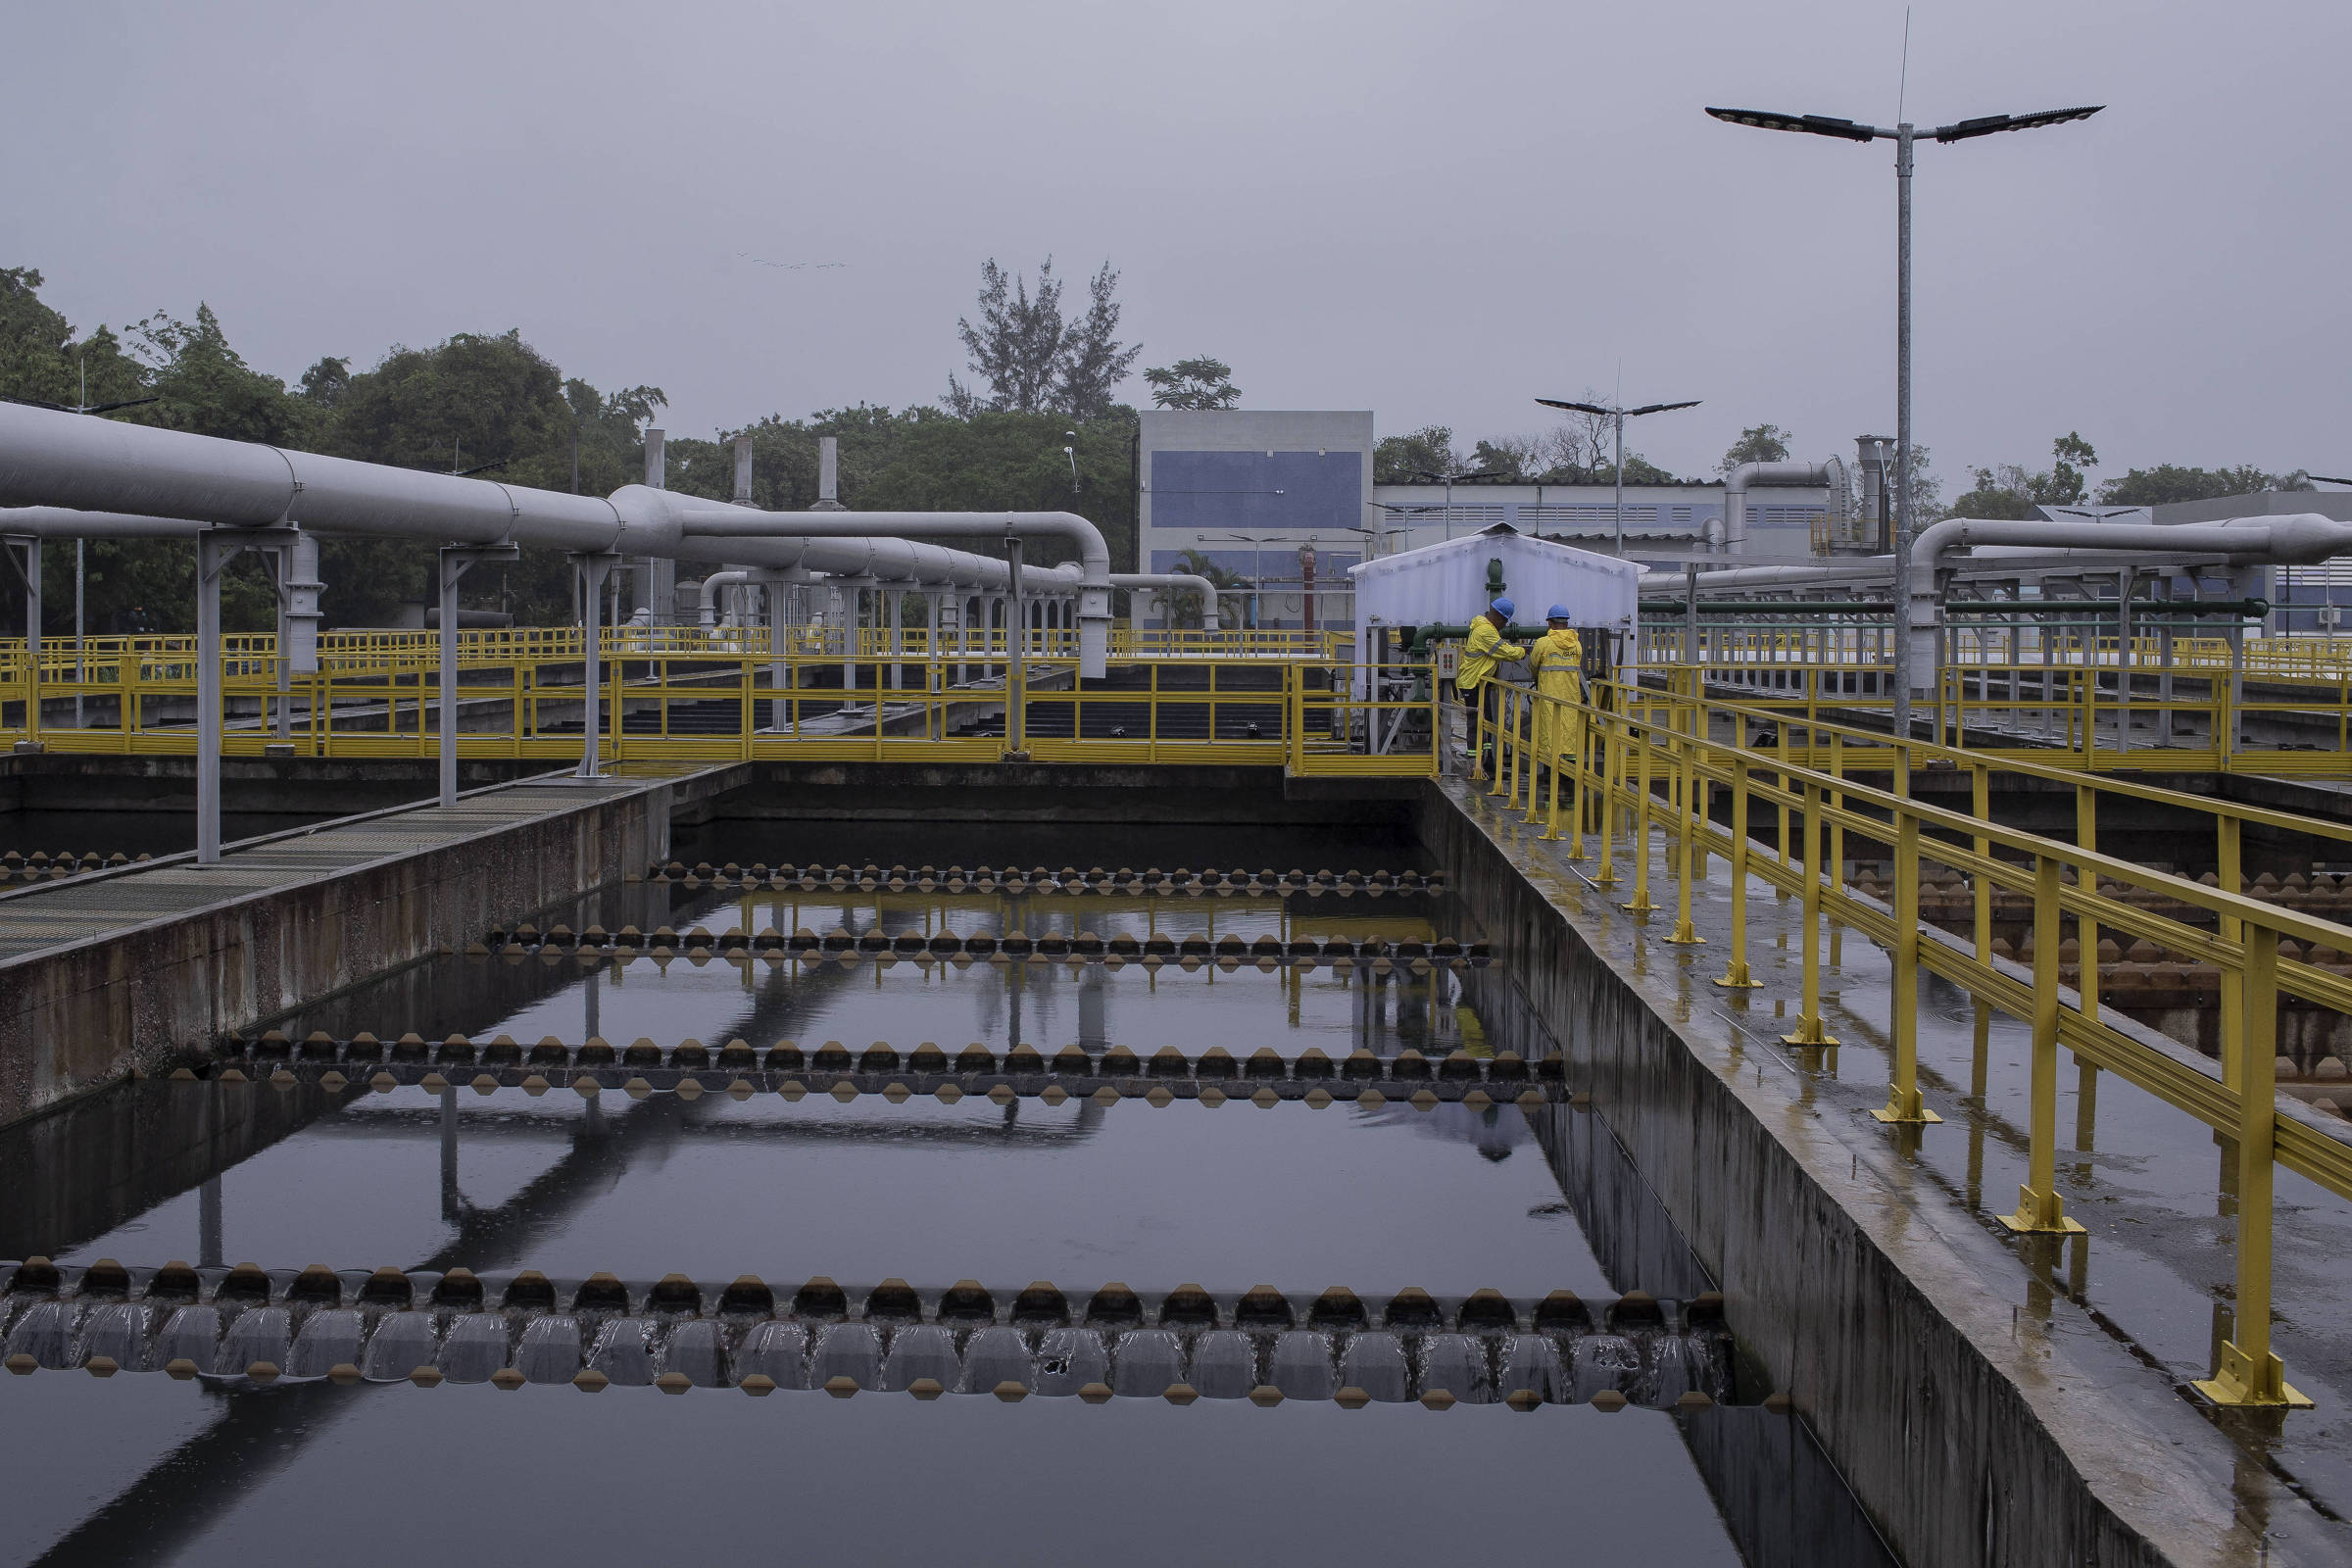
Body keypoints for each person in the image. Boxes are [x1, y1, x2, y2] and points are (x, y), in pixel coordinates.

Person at [1455, 597, 1524, 779]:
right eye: (1505, 621)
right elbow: (1506, 652)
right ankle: (1478, 765)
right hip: (1474, 683)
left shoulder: (1484, 628)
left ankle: (1487, 761)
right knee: (1477, 722)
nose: (1505, 625)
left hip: (1478, 683)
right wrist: (1523, 651)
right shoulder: (1485, 631)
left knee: (1485, 721)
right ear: (1498, 617)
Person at [1528, 604, 1586, 775]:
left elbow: (1532, 665)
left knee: (1549, 733)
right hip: (1571, 696)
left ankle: (1550, 774)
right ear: (1566, 624)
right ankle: (1569, 775)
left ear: (1550, 623)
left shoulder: (1543, 643)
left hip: (1549, 695)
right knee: (1570, 733)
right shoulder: (1577, 645)